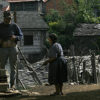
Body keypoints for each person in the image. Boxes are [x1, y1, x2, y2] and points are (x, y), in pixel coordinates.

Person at [0, 11, 23, 89]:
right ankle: (2, 83)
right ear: (4, 18)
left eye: (9, 18)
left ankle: (12, 84)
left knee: (13, 67)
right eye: (7, 18)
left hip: (13, 48)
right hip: (3, 49)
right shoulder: (0, 26)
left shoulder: (14, 26)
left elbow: (20, 36)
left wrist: (15, 38)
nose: (8, 20)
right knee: (2, 66)